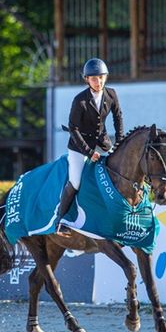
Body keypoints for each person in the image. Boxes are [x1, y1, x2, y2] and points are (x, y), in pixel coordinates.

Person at [56, 58, 124, 233]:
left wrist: (120, 141)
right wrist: (88, 152)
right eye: (94, 78)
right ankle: (60, 219)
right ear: (87, 79)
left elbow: (118, 119)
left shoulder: (111, 94)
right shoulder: (80, 100)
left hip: (102, 142)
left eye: (101, 77)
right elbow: (73, 128)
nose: (98, 82)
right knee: (76, 182)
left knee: (120, 170)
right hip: (80, 146)